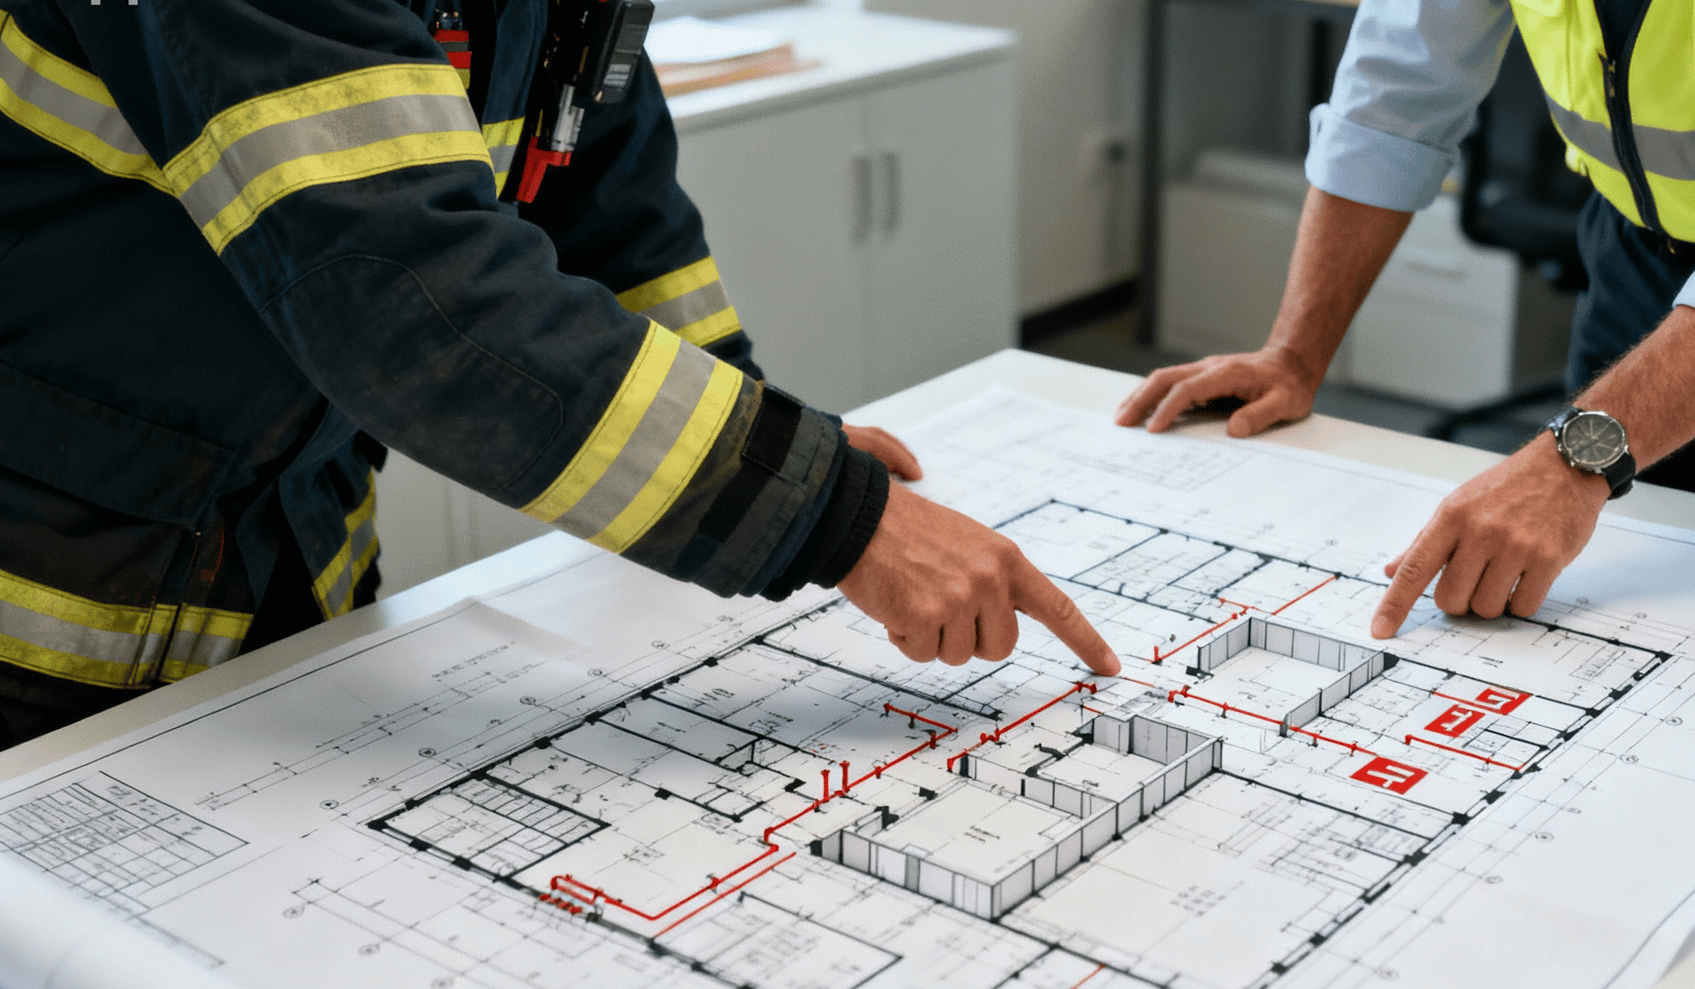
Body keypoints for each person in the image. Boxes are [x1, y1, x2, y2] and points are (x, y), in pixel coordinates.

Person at [0, 0, 1117, 747]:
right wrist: (834, 517)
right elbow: (409, 298)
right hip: (44, 621)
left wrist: (766, 436)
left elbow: (610, 214)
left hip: (289, 561)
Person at [1118, 0, 1695, 639]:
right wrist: (1293, 353)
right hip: (1639, 268)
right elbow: (1393, 96)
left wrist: (1571, 463)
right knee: (1634, 612)